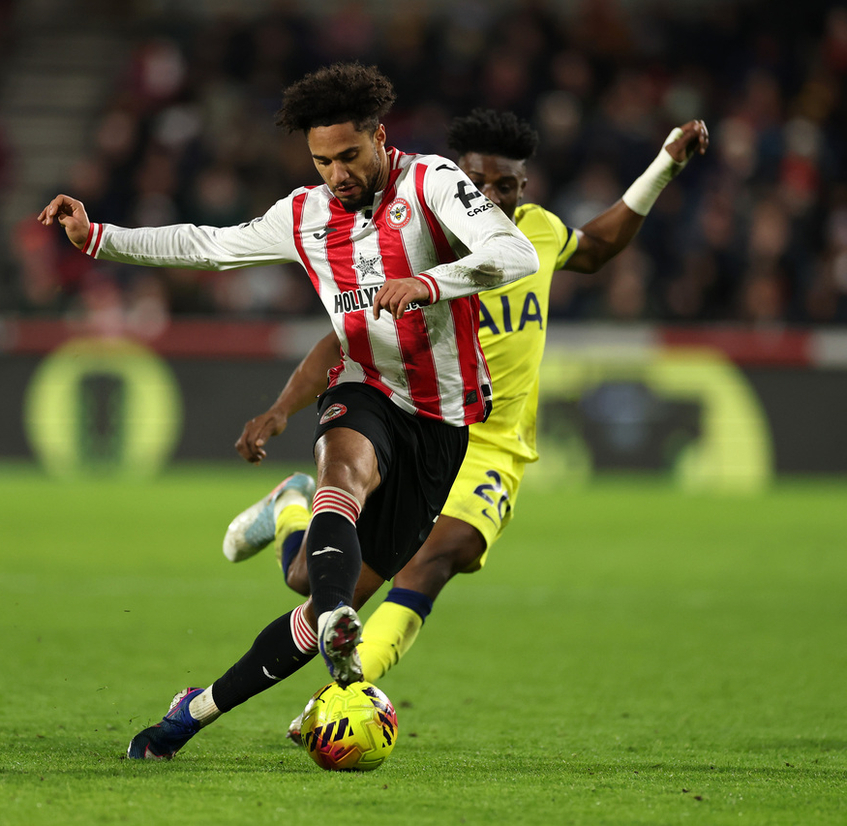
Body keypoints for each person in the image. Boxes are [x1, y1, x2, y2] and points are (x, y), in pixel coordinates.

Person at [40, 63, 540, 760]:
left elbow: (515, 253)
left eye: (349, 156)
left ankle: (199, 698)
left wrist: (429, 283)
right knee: (345, 475)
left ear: (379, 138)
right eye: (322, 161)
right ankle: (301, 641)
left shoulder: (430, 181)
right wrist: (98, 237)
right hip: (365, 385)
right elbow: (208, 245)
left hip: (442, 423)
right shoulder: (303, 215)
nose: (337, 174)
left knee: (307, 580)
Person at [225, 108, 709, 736]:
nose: (491, 195)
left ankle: (343, 696)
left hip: (495, 448)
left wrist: (665, 164)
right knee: (311, 587)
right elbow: (346, 338)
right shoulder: (425, 239)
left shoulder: (536, 235)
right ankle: (292, 506)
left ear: (523, 187)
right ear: (457, 178)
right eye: (478, 182)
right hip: (416, 428)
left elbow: (598, 247)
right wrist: (281, 410)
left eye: (506, 185)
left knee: (442, 554)